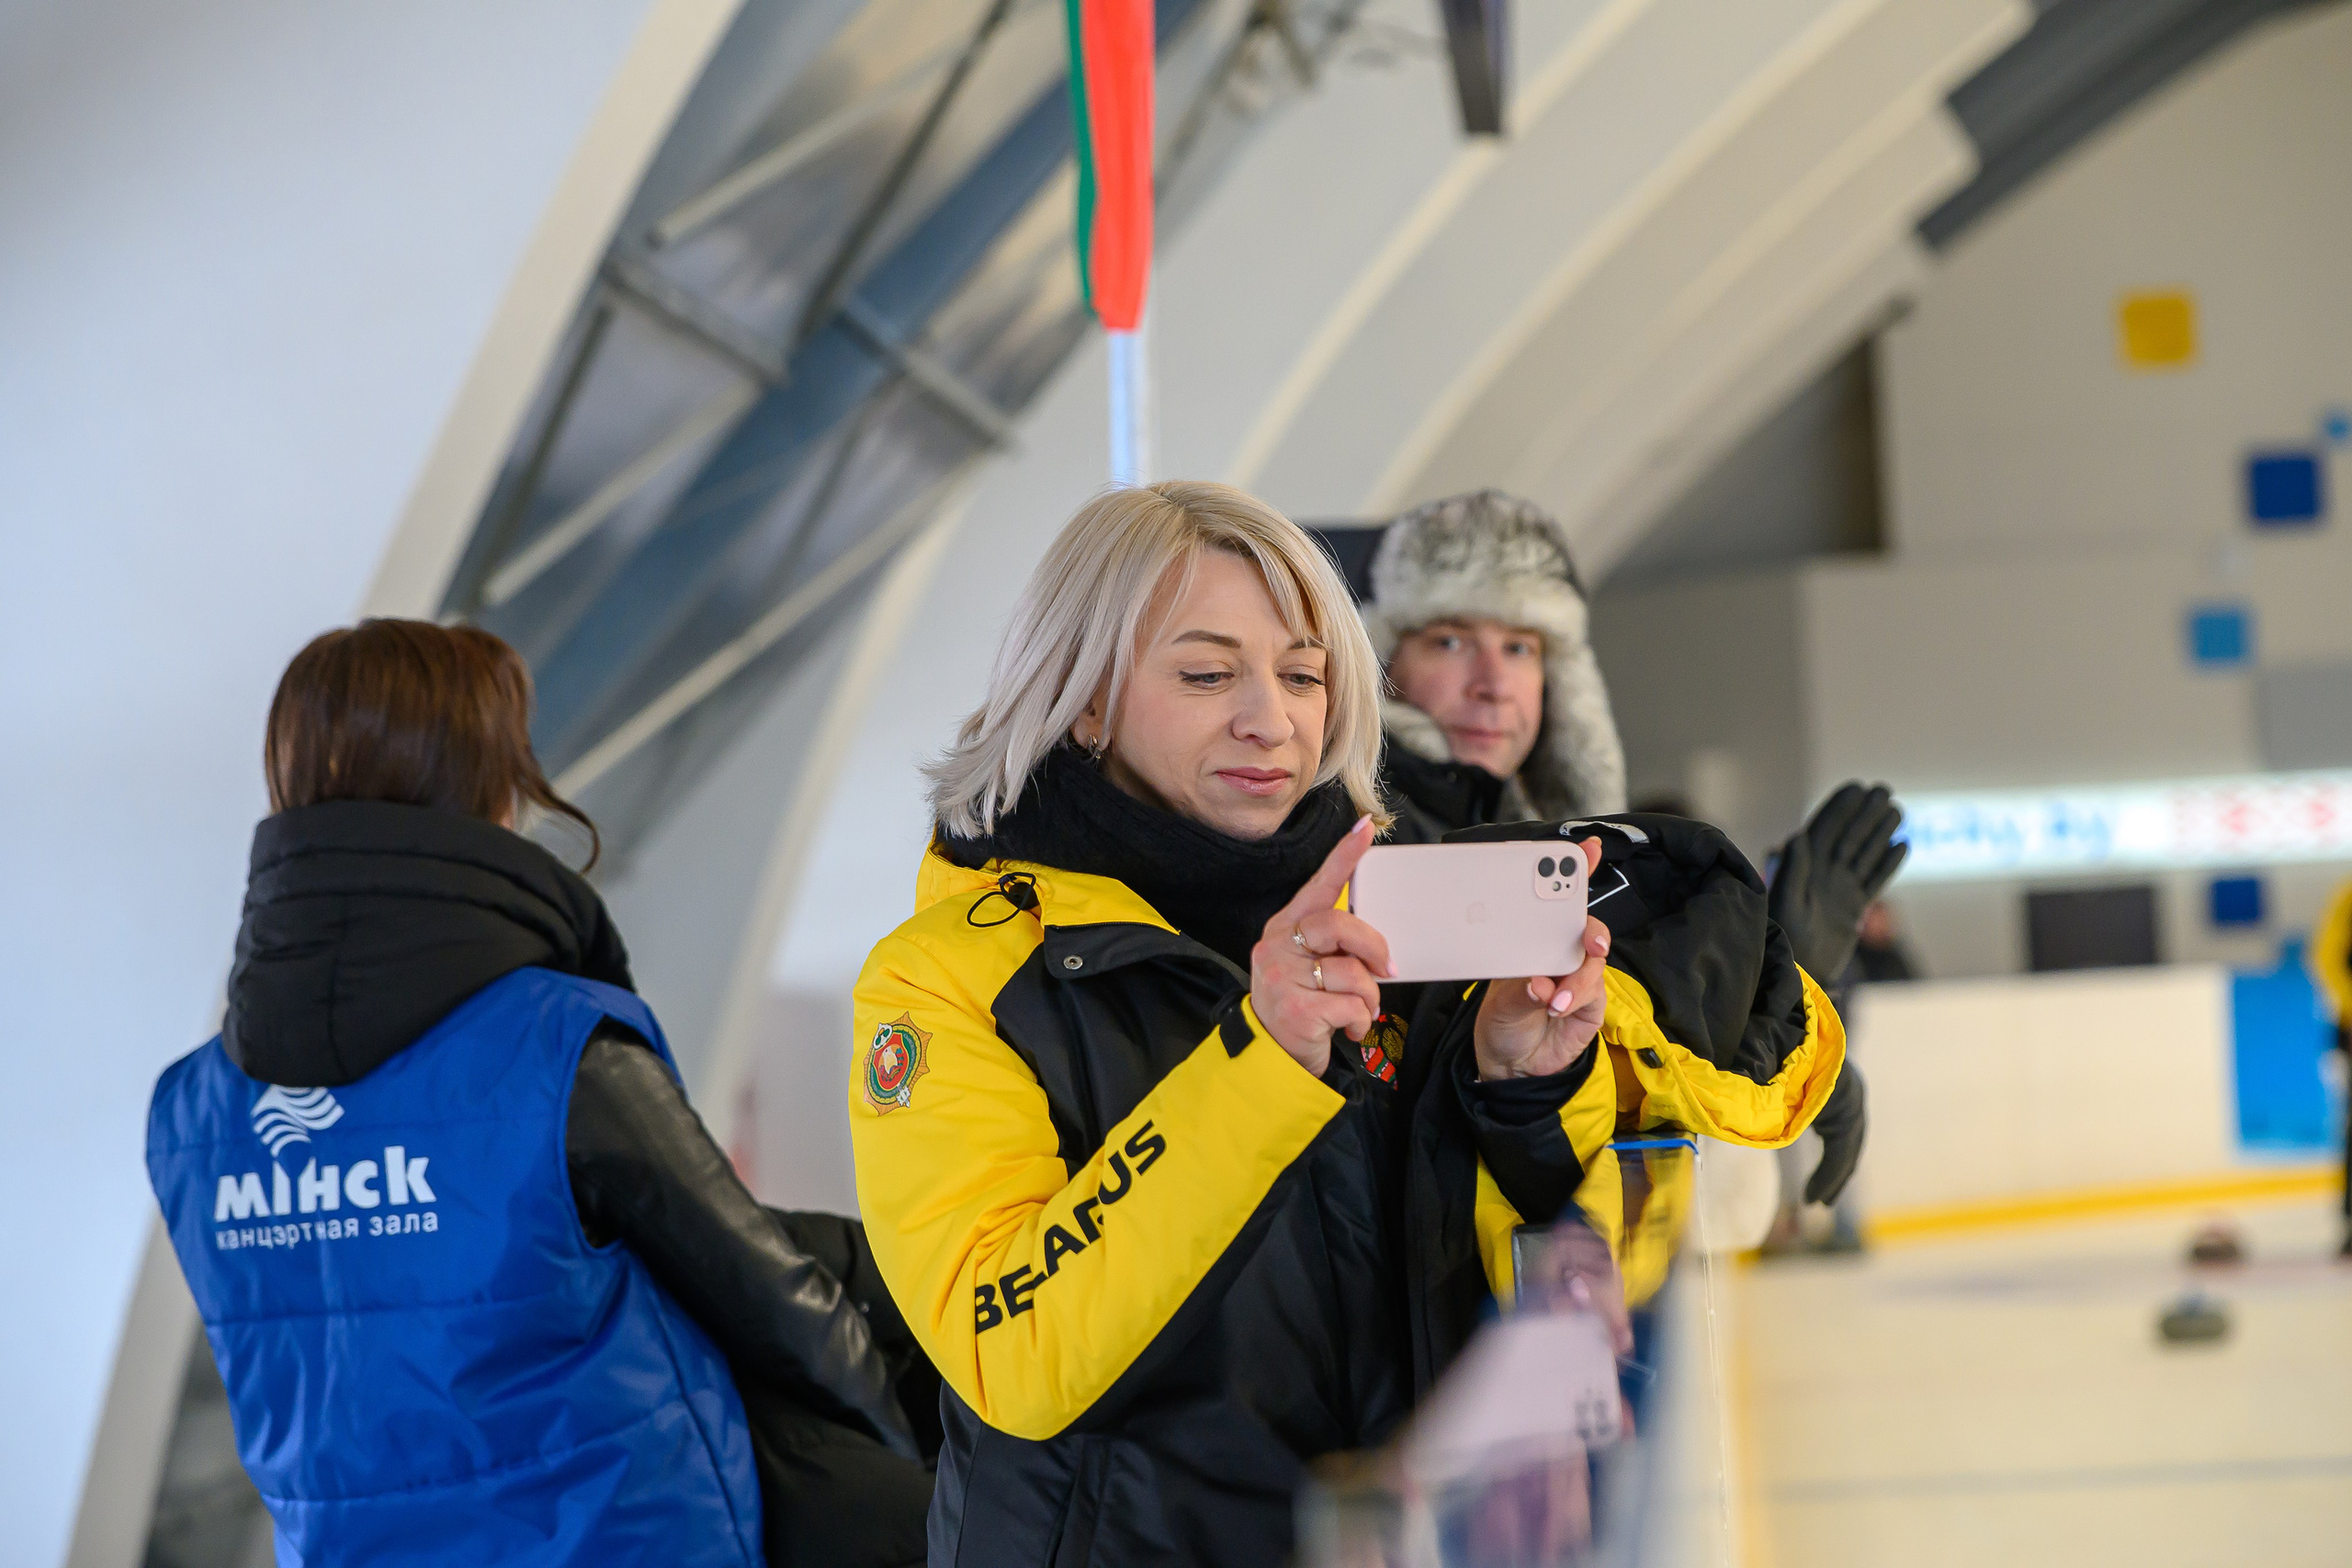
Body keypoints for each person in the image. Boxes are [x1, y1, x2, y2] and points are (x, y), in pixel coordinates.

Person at [848, 482, 1848, 1566]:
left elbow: (1543, 1291)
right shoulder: (945, 979)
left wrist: (1522, 1095)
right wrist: (1258, 1061)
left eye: (1301, 674)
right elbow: (1011, 1353)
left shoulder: (1402, 914)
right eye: (1206, 674)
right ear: (1085, 701)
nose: (1269, 719)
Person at [146, 620, 927, 1568]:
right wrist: (913, 1469)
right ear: (489, 789)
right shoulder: (558, 1051)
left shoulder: (190, 1118)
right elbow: (778, 1304)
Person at [1363, 490, 1627, 842]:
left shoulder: (1569, 853)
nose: (1494, 686)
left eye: (1518, 648)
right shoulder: (1340, 833)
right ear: (1381, 664)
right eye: (1450, 642)